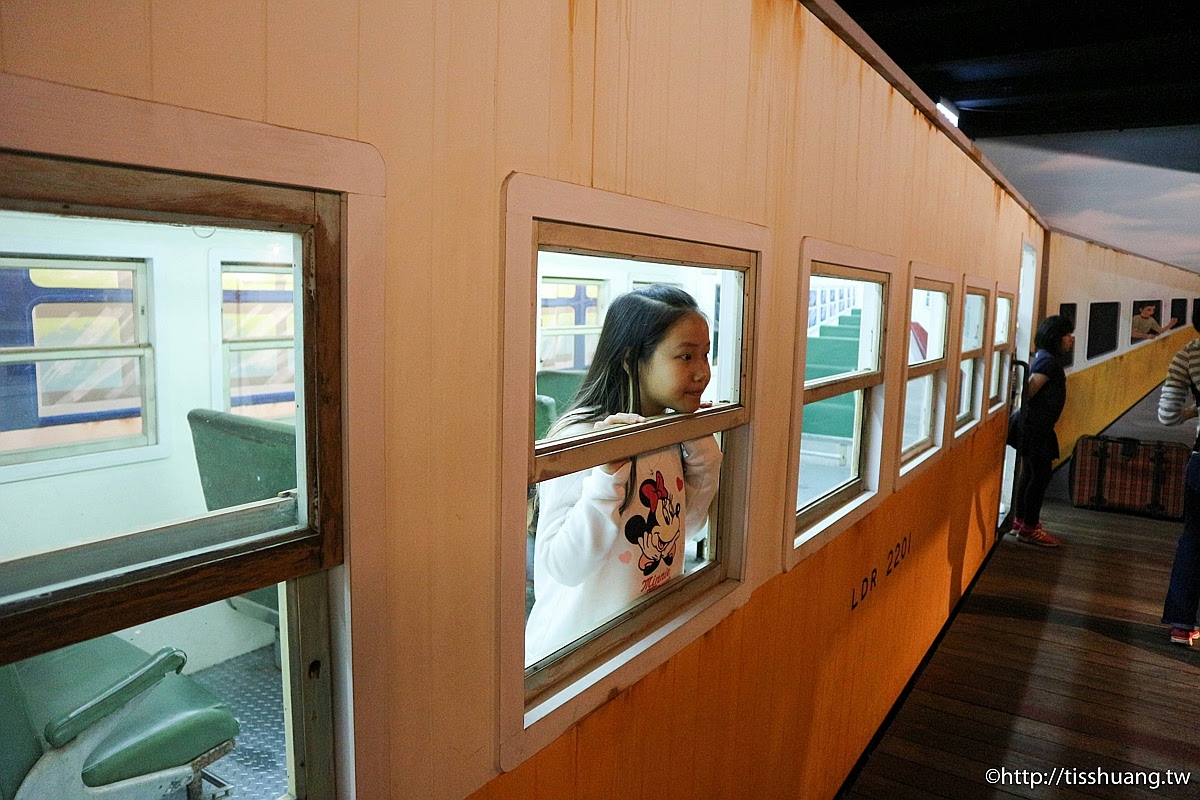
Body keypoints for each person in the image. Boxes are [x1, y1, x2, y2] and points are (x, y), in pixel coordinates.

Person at [525, 285, 722, 666]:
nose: (702, 372)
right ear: (632, 360)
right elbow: (562, 567)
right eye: (685, 356)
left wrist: (703, 453)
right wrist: (606, 478)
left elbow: (686, 528)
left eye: (705, 354)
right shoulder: (580, 437)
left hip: (640, 637)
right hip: (575, 657)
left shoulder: (664, 431)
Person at [1010, 315, 1075, 547]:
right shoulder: (1048, 362)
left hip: (1033, 427)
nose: (1071, 339)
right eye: (1067, 335)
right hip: (1036, 429)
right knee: (1039, 477)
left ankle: (1021, 521)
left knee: (1030, 474)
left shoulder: (1044, 358)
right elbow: (1030, 392)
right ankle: (1029, 529)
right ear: (1055, 338)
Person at [1159, 320, 1200, 645]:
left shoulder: (1187, 355)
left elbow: (1168, 416)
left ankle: (1182, 625)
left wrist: (1194, 411)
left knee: (1193, 540)